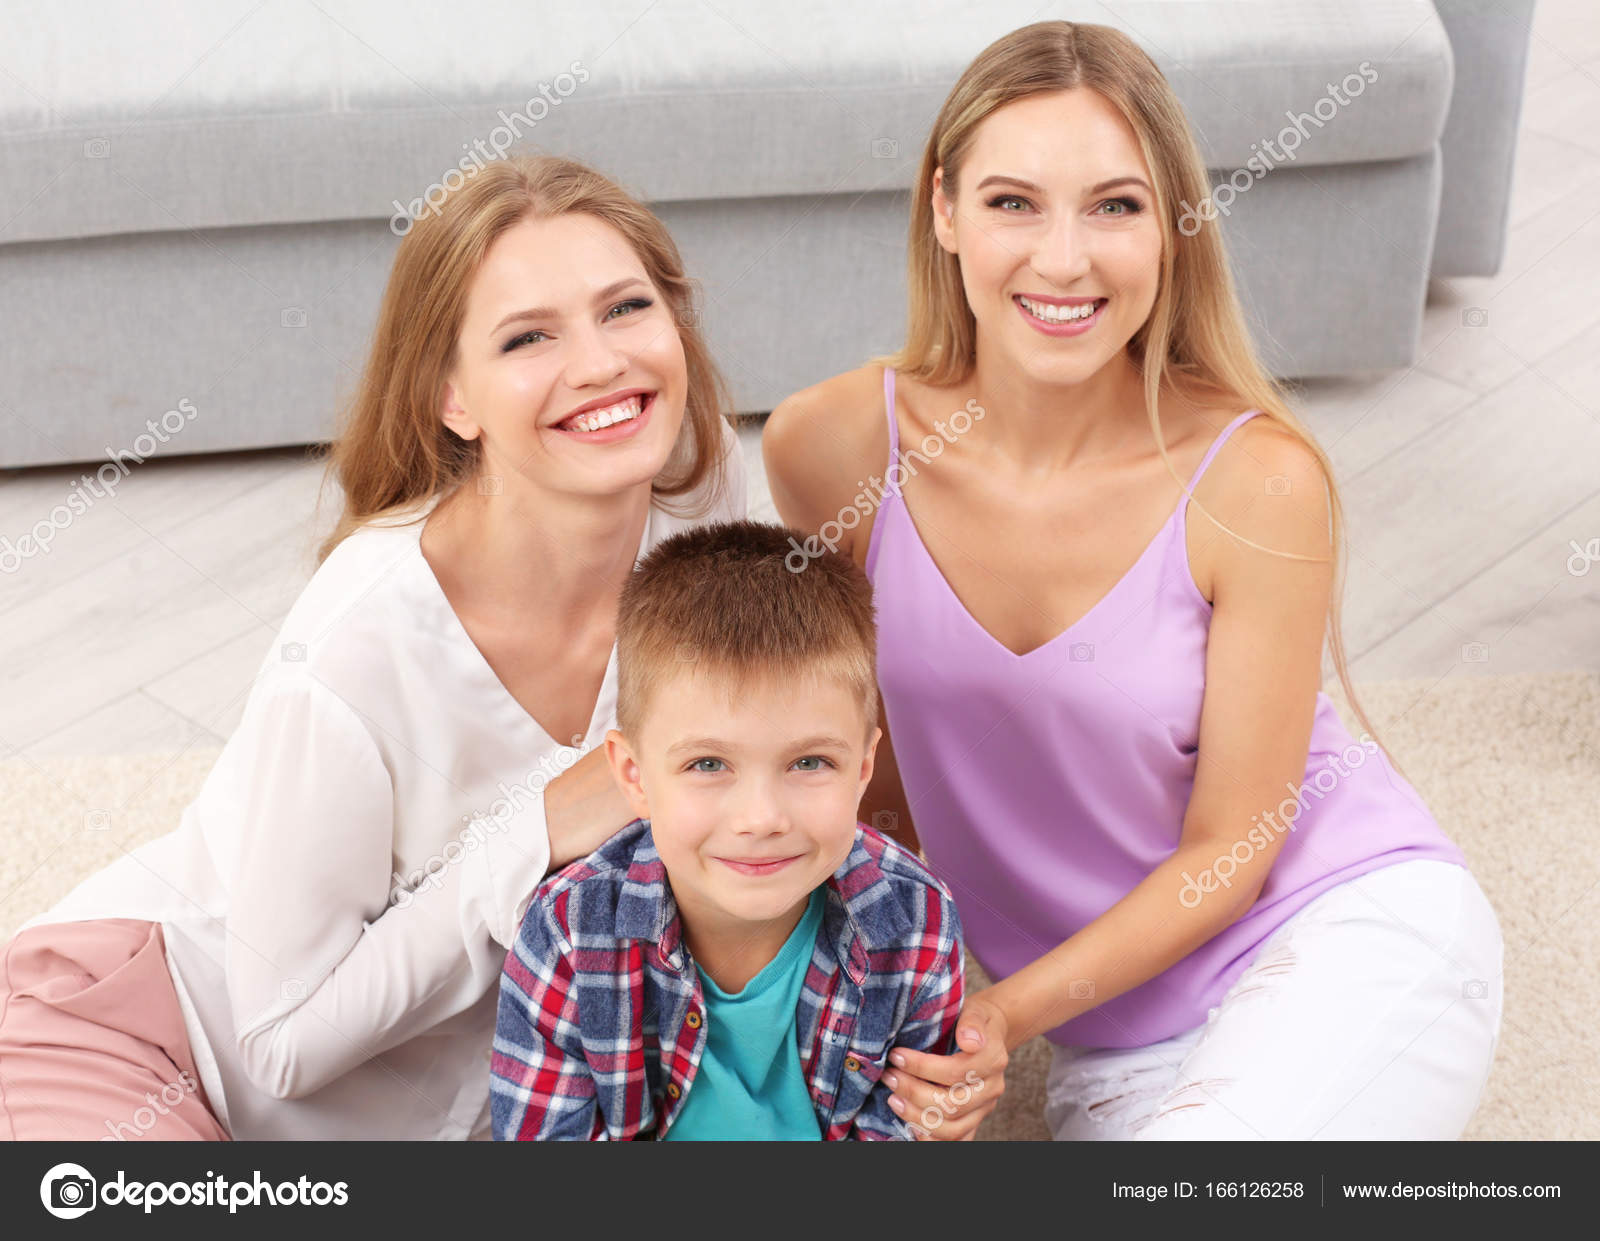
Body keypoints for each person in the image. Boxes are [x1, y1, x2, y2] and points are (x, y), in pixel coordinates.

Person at [764, 21, 1503, 1140]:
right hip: (1114, 1033)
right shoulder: (833, 447)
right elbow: (871, 772)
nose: (1064, 260)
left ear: (1172, 229)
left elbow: (1236, 846)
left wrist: (1000, 1013)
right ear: (944, 209)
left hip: (1335, 928)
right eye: (1014, 202)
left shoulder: (1253, 481)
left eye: (1114, 206)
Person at [0, 154, 746, 1140]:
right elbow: (279, 1039)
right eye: (528, 336)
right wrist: (533, 833)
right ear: (453, 399)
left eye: (626, 308)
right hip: (144, 1038)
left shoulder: (699, 511)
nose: (603, 362)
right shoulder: (360, 638)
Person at [490, 520, 965, 1140]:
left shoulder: (914, 921)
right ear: (633, 775)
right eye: (708, 764)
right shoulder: (567, 935)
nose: (761, 818)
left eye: (809, 762)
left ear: (864, 769)